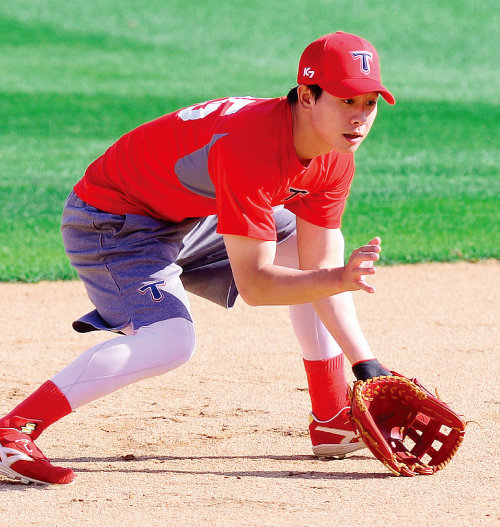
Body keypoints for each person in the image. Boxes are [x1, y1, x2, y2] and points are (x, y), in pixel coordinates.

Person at [0, 31, 395, 485]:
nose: (360, 117)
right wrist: (336, 278)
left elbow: (320, 269)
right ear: (307, 96)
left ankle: (332, 418)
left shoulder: (334, 158)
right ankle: (13, 430)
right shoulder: (251, 146)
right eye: (347, 100)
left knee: (305, 248)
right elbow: (259, 286)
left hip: (188, 216)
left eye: (370, 103)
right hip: (113, 222)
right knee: (170, 340)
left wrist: (366, 365)